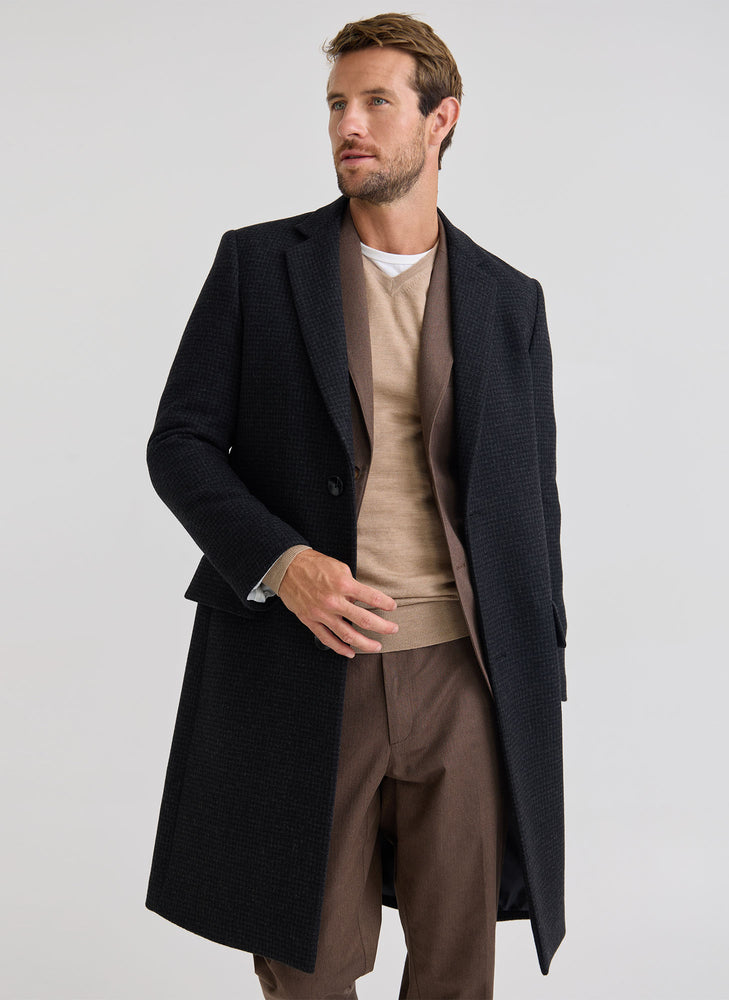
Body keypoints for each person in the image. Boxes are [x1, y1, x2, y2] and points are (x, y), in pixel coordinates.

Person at [145, 12, 568, 999]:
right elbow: (181, 443)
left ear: (440, 120)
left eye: (377, 101)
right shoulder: (259, 265)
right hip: (307, 663)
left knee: (457, 965)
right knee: (307, 966)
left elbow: (533, 502)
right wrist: (282, 562)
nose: (350, 124)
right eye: (337, 103)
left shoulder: (509, 300)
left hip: (465, 674)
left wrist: (539, 662)